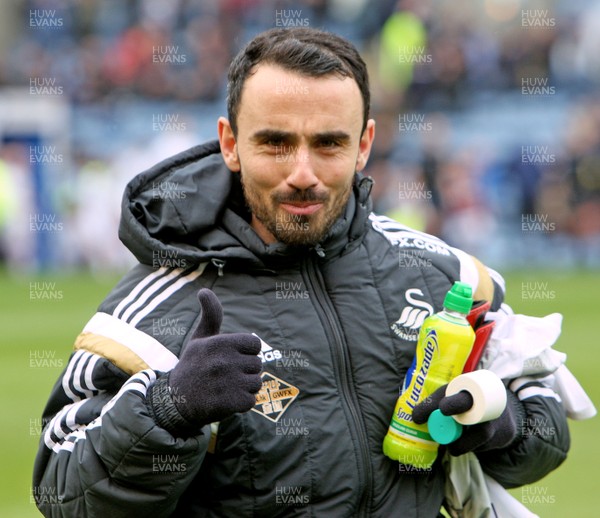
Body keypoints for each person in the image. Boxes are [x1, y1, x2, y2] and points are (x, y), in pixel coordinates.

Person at [33, 27, 570, 517]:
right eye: (275, 142)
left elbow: (540, 442)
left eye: (329, 143)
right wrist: (168, 410)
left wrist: (499, 427)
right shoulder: (152, 310)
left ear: (363, 145)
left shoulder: (443, 276)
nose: (303, 174)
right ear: (230, 143)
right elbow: (61, 495)